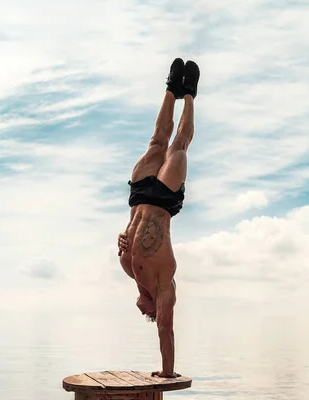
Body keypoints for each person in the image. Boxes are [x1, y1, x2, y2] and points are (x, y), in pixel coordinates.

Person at [116, 57, 199, 379]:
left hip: (138, 199)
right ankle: (187, 93)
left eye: (146, 313)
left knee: (155, 142)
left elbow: (127, 236)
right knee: (178, 146)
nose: (143, 312)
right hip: (164, 200)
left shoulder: (129, 271)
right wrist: (167, 372)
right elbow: (166, 330)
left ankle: (170, 88)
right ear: (152, 306)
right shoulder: (165, 287)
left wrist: (120, 240)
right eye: (146, 314)